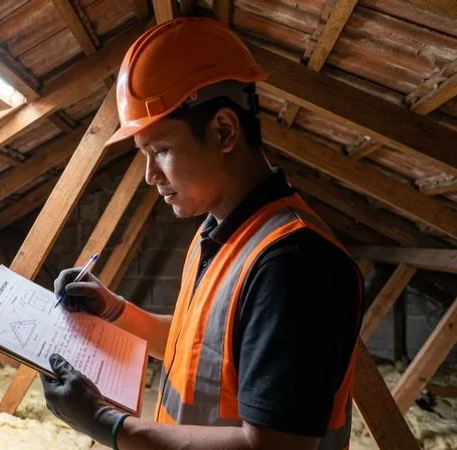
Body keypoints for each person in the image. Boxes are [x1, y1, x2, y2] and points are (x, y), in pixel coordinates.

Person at [40, 17, 364, 450]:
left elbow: (272, 447)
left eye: (161, 151)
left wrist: (106, 424)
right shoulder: (219, 231)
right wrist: (114, 310)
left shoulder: (296, 263)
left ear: (224, 131)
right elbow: (202, 348)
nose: (151, 176)